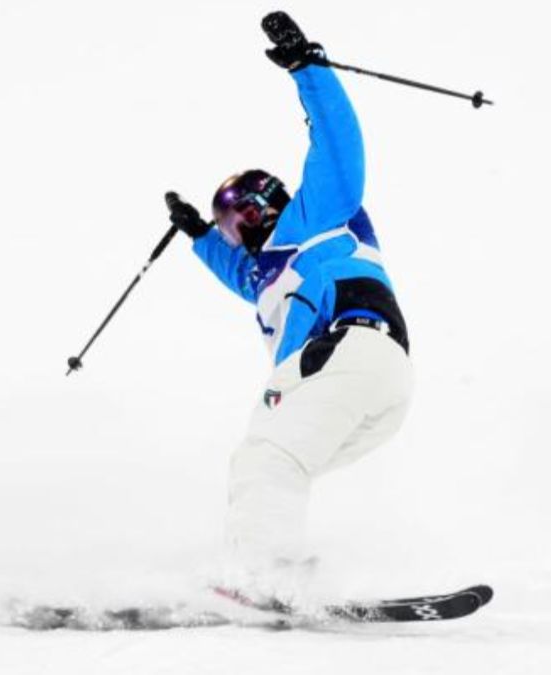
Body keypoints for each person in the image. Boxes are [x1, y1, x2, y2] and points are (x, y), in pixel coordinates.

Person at [168, 12, 413, 601]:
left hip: (349, 349)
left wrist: (309, 68)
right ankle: (275, 572)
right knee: (265, 463)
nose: (239, 230)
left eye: (243, 214)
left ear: (270, 201)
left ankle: (263, 578)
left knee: (269, 458)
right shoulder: (264, 272)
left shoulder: (315, 214)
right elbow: (242, 274)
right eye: (231, 225)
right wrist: (199, 234)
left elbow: (337, 148)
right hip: (374, 386)